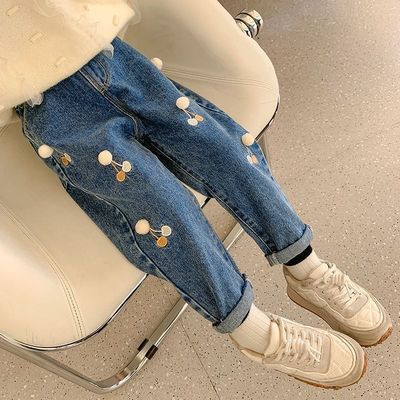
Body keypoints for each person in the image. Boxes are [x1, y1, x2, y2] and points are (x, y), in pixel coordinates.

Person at [1, 0, 393, 389]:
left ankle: (306, 267)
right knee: (162, 207)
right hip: (51, 111)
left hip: (114, 59)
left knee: (224, 152)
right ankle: (252, 332)